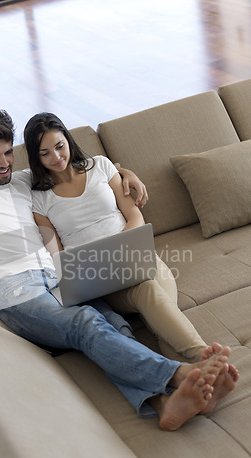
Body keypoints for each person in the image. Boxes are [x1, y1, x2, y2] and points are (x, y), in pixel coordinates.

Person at [0, 109, 238, 431]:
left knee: (114, 324)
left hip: (58, 277)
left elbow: (80, 168)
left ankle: (163, 404)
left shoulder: (24, 181)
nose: (3, 163)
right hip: (15, 289)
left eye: (8, 153)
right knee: (86, 325)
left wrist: (124, 172)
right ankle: (182, 374)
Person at [24, 112, 209, 363]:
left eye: (59, 146)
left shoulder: (101, 165)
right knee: (149, 291)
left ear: (68, 140)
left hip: (136, 257)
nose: (56, 157)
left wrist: (122, 246)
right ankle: (204, 355)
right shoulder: (39, 198)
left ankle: (198, 372)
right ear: (36, 158)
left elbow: (134, 214)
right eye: (45, 153)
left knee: (157, 308)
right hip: (101, 279)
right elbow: (56, 253)